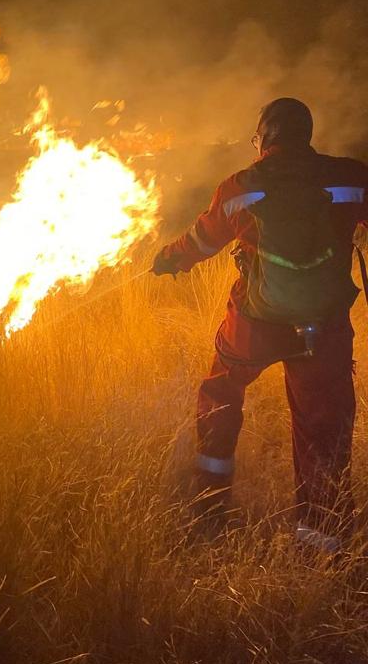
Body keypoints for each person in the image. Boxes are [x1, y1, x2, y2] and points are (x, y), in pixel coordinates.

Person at [152, 98, 368, 553]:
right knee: (321, 422)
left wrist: (167, 260)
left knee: (221, 393)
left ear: (265, 138)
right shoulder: (351, 176)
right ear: (305, 134)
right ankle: (321, 538)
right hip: (323, 326)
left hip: (256, 323)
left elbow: (201, 239)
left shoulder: (241, 187)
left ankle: (210, 509)